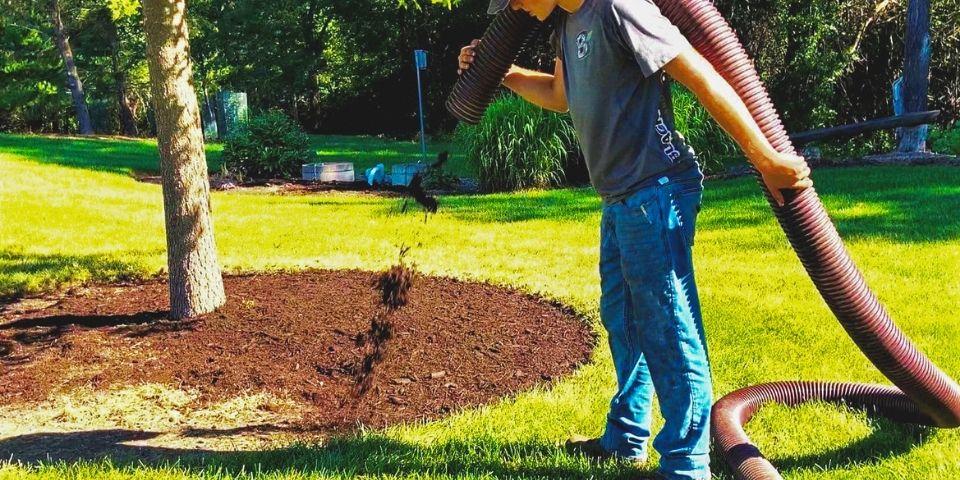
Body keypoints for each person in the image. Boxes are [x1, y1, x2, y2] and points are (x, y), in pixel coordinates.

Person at [457, 0, 811, 478]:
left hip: (656, 188)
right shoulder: (565, 23)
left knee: (668, 327)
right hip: (620, 195)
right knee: (623, 319)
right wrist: (505, 73)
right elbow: (563, 94)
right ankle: (626, 438)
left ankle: (686, 464)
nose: (515, 6)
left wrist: (764, 157)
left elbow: (699, 74)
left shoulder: (618, 8)